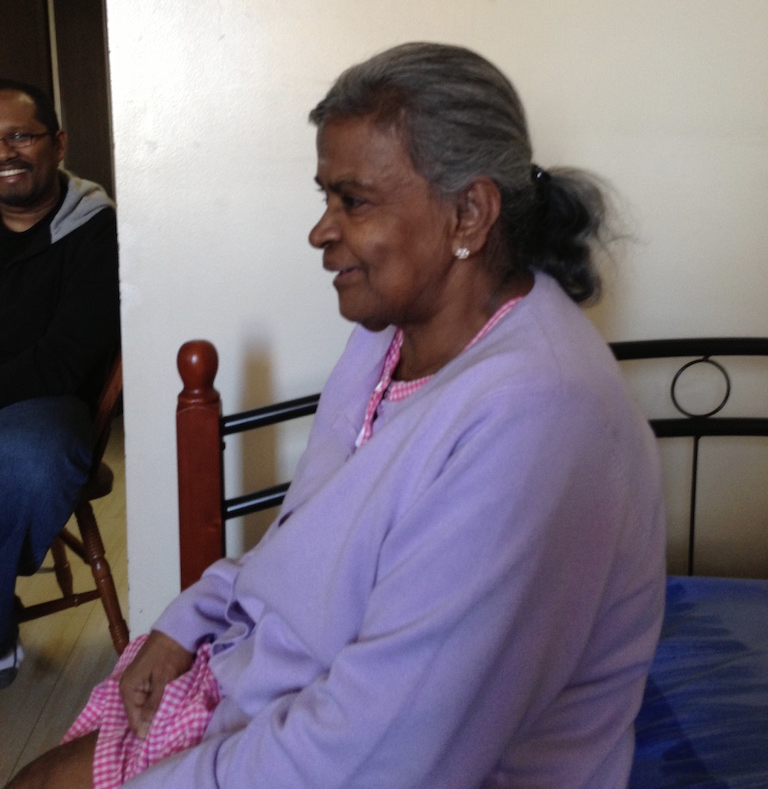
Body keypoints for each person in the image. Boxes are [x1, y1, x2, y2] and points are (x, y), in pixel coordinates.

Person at [8, 43, 665, 789]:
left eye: (353, 201)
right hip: (274, 686)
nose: (321, 231)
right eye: (326, 197)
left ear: (470, 213)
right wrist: (186, 622)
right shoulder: (388, 340)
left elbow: (379, 757)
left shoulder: (535, 419)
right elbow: (309, 545)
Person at [0, 79, 120, 689]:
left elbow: (65, 360)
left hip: (51, 406)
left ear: (59, 143)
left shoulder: (94, 230)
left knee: (28, 457)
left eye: (21, 135)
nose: (6, 153)